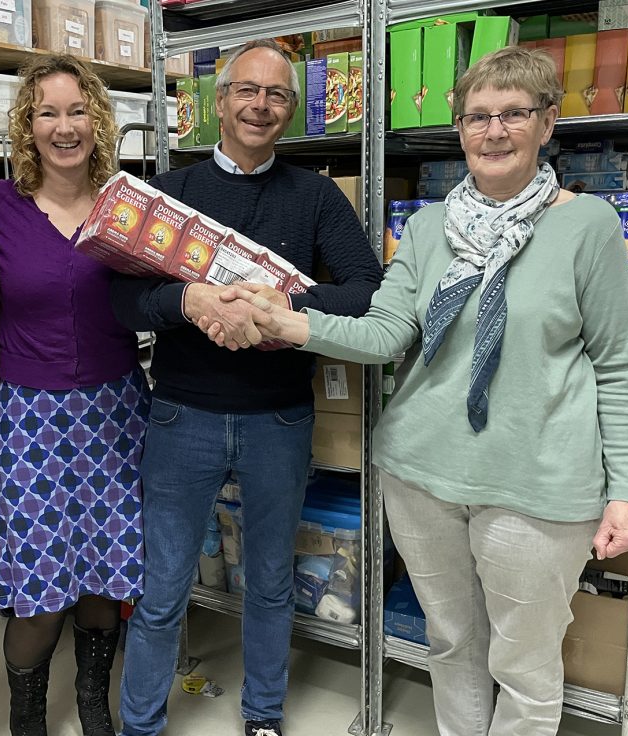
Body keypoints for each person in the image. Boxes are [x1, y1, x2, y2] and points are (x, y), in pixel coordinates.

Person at [218, 46, 628, 736]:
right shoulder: (428, 229)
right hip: (421, 474)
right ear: (459, 130)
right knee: (452, 643)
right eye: (478, 116)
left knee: (526, 664)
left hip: (537, 485)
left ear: (548, 124)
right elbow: (386, 333)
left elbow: (622, 365)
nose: (495, 131)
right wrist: (287, 319)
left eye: (514, 114)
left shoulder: (587, 226)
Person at [111, 39, 383, 736]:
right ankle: (140, 724)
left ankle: (263, 715)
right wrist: (191, 303)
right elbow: (120, 303)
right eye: (247, 91)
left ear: (291, 111)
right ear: (218, 101)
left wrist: (285, 306)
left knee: (270, 584)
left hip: (279, 420)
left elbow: (365, 292)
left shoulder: (316, 195)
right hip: (182, 417)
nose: (260, 106)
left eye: (277, 96)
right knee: (164, 587)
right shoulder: (169, 194)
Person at [0, 54, 149, 736]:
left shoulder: (127, 203)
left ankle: (93, 707)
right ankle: (27, 722)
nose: (64, 125)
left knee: (106, 578)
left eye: (77, 110)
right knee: (41, 591)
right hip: (31, 420)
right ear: (28, 124)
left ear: (98, 120)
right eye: (48, 112)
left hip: (114, 411)